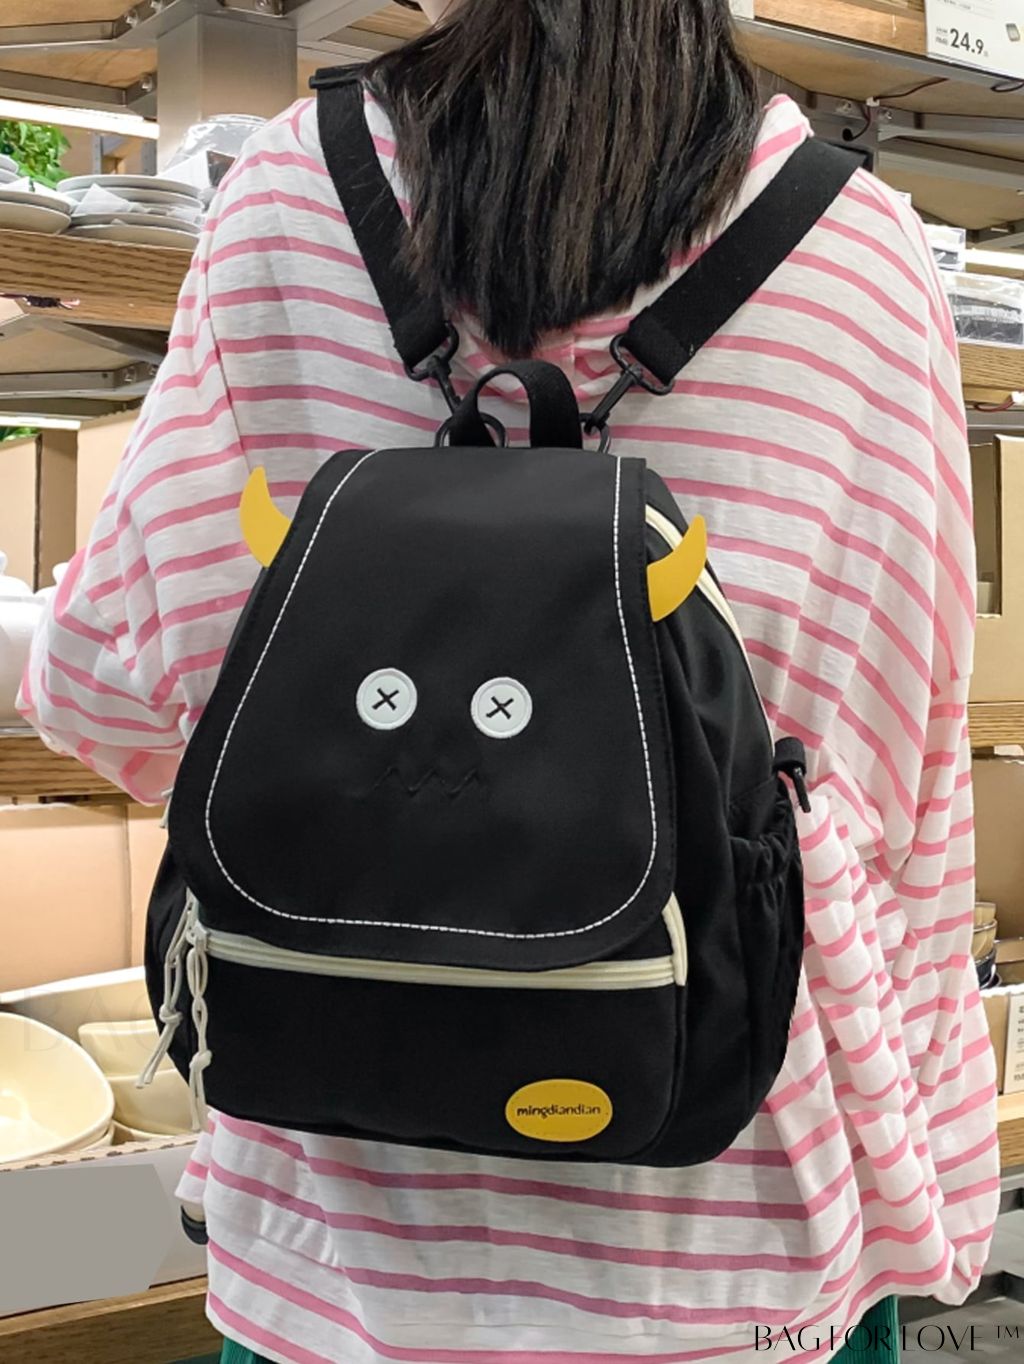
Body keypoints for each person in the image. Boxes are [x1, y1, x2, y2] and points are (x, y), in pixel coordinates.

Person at [22, 2, 998, 1362]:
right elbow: (900, 784)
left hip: (337, 1248)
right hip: (734, 1239)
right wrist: (932, 1176)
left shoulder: (292, 193)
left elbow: (109, 694)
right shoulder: (864, 248)